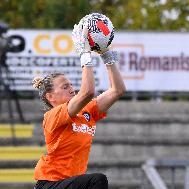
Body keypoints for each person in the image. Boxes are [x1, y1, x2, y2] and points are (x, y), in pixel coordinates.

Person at [32, 17, 126, 189]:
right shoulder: (52, 116)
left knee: (95, 181)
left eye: (71, 85)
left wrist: (106, 55)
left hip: (70, 184)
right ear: (50, 97)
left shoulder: (87, 111)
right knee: (97, 180)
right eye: (65, 86)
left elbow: (118, 90)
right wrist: (84, 53)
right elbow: (88, 91)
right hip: (50, 184)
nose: (71, 89)